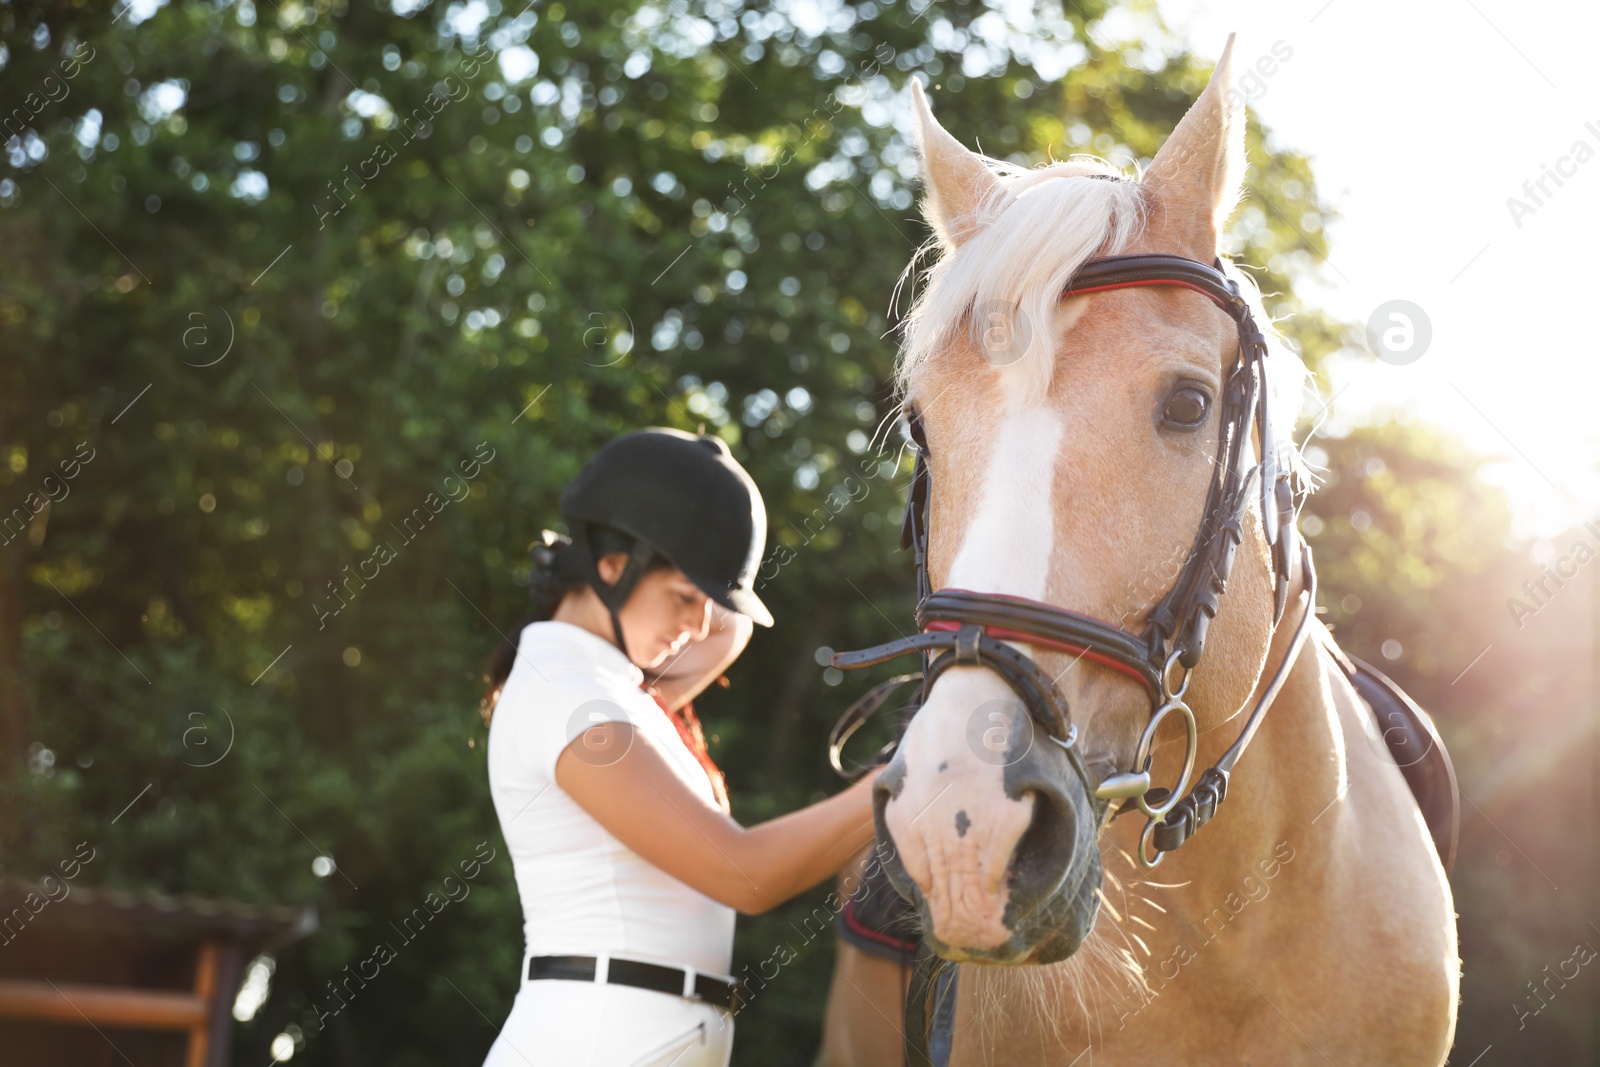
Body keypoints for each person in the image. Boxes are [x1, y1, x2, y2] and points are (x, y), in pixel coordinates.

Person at [479, 427, 882, 1067]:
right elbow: (744, 873)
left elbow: (732, 626)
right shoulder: (572, 697)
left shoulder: (614, 689)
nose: (698, 626)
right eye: (684, 598)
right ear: (613, 567)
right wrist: (902, 786)